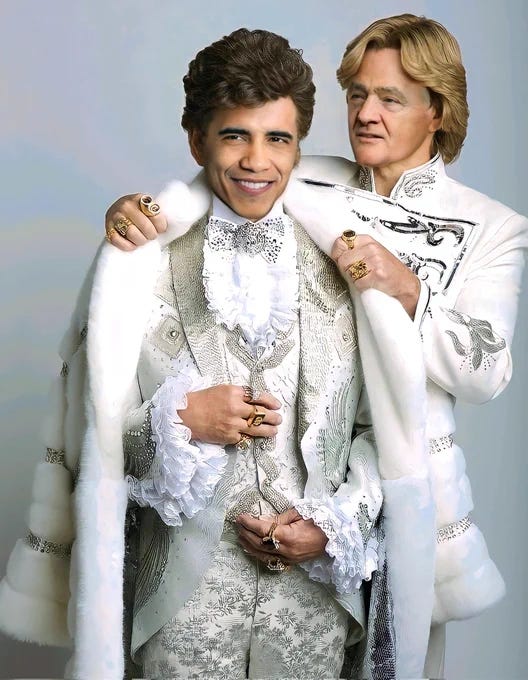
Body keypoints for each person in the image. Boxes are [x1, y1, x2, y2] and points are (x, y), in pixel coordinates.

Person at [0, 27, 435, 680]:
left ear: (299, 144)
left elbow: (387, 430)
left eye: (278, 138)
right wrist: (181, 420)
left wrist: (333, 526)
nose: (257, 160)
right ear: (197, 140)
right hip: (178, 616)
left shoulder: (347, 261)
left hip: (314, 612)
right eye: (235, 135)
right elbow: (93, 440)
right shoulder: (136, 262)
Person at [104, 12, 528, 679]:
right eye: (357, 94)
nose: (365, 113)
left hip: (402, 494)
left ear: (438, 111)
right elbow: (220, 176)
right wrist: (133, 213)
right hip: (244, 524)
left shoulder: (491, 227)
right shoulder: (306, 177)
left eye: (390, 98)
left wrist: (409, 290)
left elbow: (488, 370)